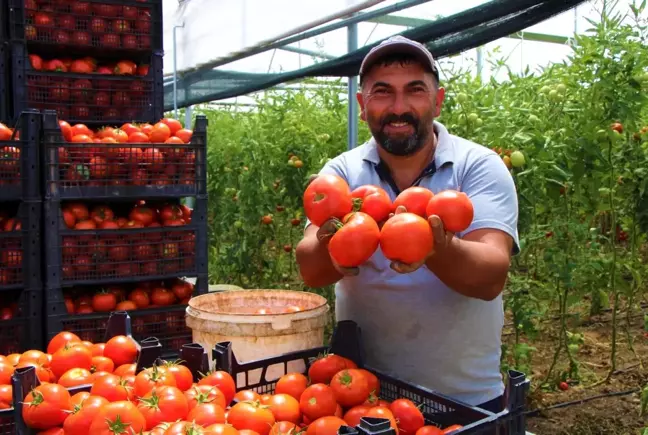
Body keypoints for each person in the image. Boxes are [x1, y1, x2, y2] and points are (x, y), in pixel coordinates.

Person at [295, 35, 519, 413]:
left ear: (438, 99)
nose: (399, 108)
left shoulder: (478, 166)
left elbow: (491, 277)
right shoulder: (342, 174)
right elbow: (310, 269)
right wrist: (335, 242)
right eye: (382, 93)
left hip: (464, 399)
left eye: (415, 90)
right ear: (362, 106)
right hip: (364, 397)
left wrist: (431, 244)